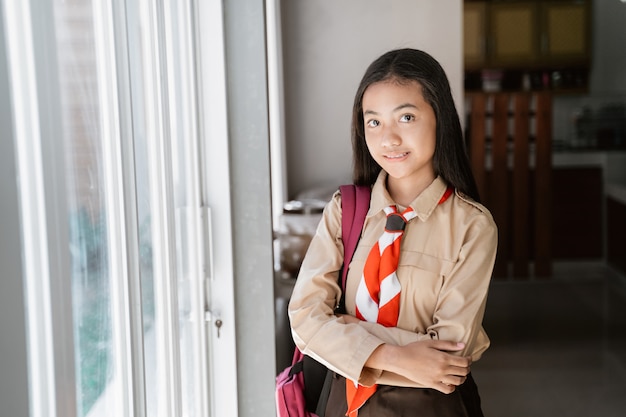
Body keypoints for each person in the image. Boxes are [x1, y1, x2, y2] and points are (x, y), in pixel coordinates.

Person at [288, 48, 497, 417]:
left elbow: (449, 357)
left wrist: (343, 330)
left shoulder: (472, 226)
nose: (389, 139)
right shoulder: (345, 210)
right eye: (374, 122)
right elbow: (304, 318)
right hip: (344, 406)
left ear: (440, 118)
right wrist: (393, 356)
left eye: (406, 117)